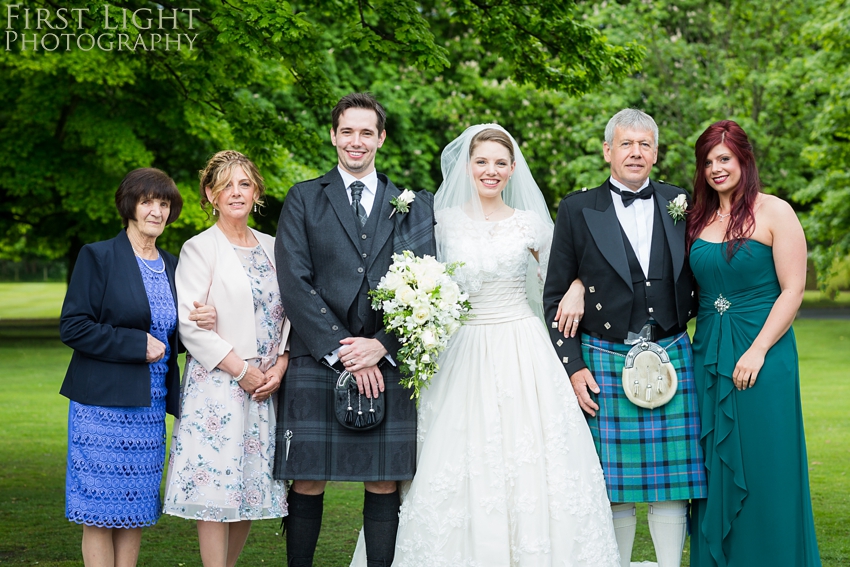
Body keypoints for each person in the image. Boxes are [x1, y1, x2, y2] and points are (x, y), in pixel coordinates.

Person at [350, 124, 621, 566]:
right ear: (467, 166)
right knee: (454, 454)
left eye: (500, 163)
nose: (490, 171)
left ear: (513, 169)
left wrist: (576, 284)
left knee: (531, 456)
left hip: (522, 344)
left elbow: (570, 271)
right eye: (481, 162)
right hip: (461, 347)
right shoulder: (441, 220)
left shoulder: (531, 225)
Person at [273, 92, 436, 567]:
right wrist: (343, 350)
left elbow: (424, 284)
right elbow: (294, 281)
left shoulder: (411, 204)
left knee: (384, 478)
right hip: (318, 356)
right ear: (333, 135)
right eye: (348, 131)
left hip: (385, 359)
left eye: (367, 132)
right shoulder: (304, 197)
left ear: (381, 138)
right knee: (306, 477)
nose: (356, 141)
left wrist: (380, 347)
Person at [543, 108, 706, 567]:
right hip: (604, 356)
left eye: (645, 144)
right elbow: (555, 296)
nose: (636, 152)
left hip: (672, 349)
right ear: (607, 150)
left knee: (675, 482)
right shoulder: (578, 208)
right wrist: (574, 369)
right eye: (626, 144)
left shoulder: (682, 203)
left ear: (655, 152)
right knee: (614, 486)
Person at [60, 168, 214, 567]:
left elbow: (173, 335)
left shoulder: (173, 264)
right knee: (98, 513)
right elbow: (74, 326)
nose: (156, 211)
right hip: (101, 407)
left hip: (149, 408)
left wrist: (202, 323)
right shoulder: (99, 256)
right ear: (130, 205)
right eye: (147, 202)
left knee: (133, 512)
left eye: (164, 204)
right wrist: (134, 344)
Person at [686, 120, 821, 566]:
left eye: (723, 158)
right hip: (708, 356)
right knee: (711, 469)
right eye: (707, 161)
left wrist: (758, 349)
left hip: (762, 355)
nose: (715, 168)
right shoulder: (697, 217)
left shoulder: (775, 211)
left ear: (744, 158)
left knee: (768, 466)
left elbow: (793, 289)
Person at [163, 151, 290, 567]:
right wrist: (242, 371)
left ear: (256, 192)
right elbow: (191, 324)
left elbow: (290, 314)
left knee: (248, 489)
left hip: (266, 386)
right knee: (216, 490)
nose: (236, 192)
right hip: (220, 384)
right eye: (226, 185)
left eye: (244, 184)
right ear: (210, 195)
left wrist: (280, 366)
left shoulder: (274, 247)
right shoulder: (200, 249)